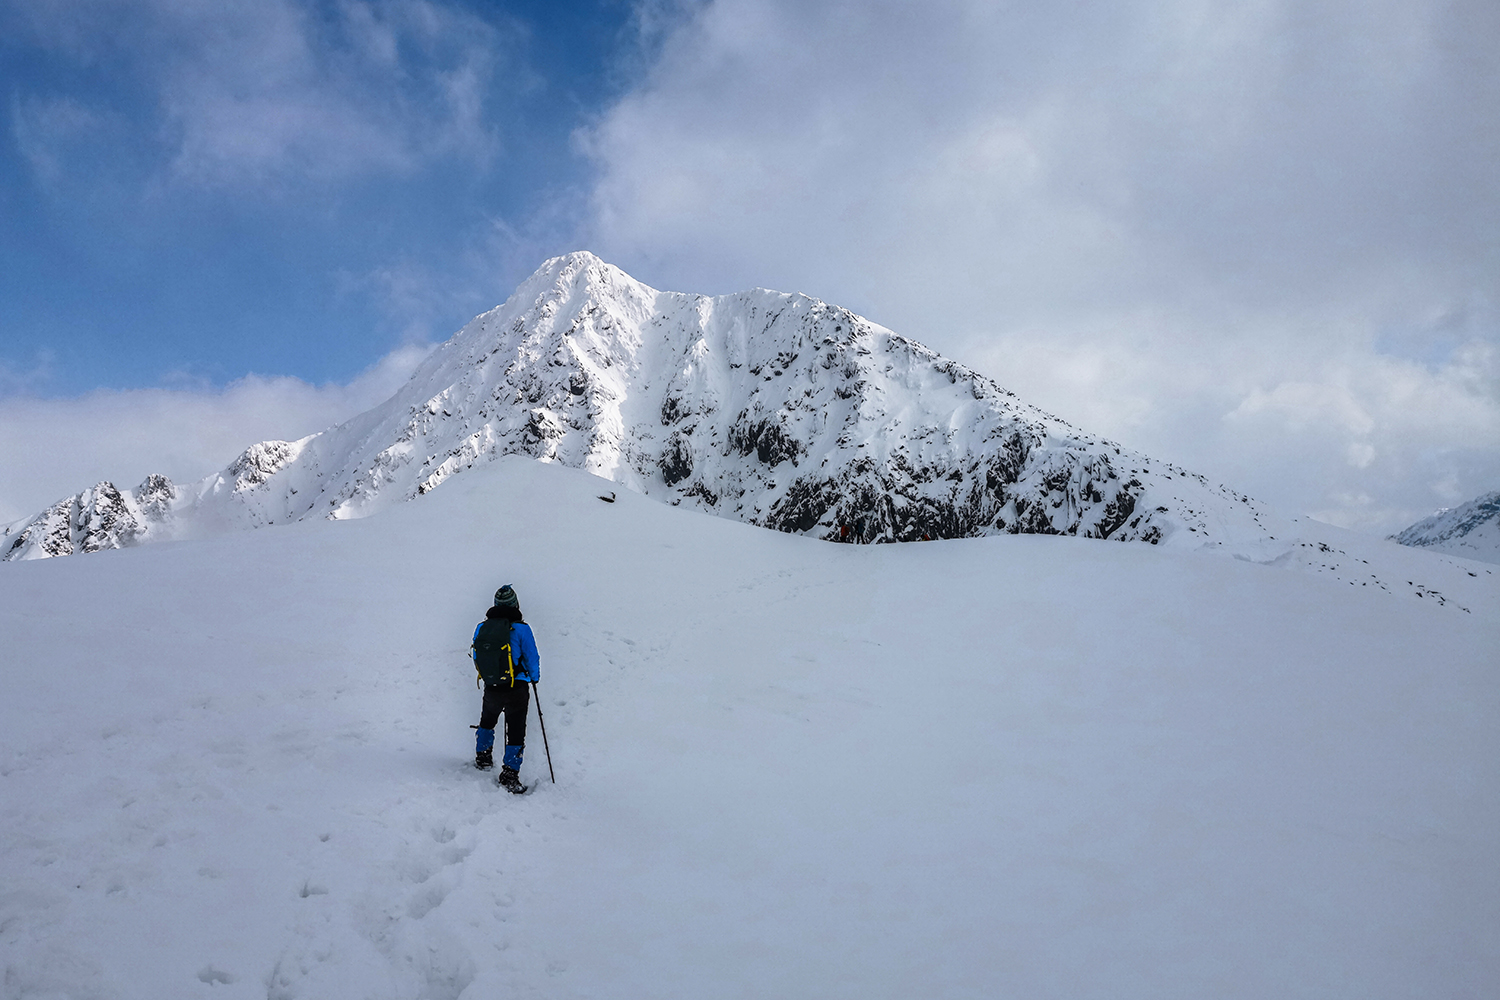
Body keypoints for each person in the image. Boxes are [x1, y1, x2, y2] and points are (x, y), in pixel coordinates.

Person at [470, 584, 540, 793]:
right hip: (516, 688)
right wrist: (533, 678)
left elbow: (476, 655)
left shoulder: (482, 628)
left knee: (487, 721)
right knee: (516, 730)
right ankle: (510, 773)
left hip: (492, 686)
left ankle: (483, 757)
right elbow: (531, 657)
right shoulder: (521, 629)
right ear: (515, 604)